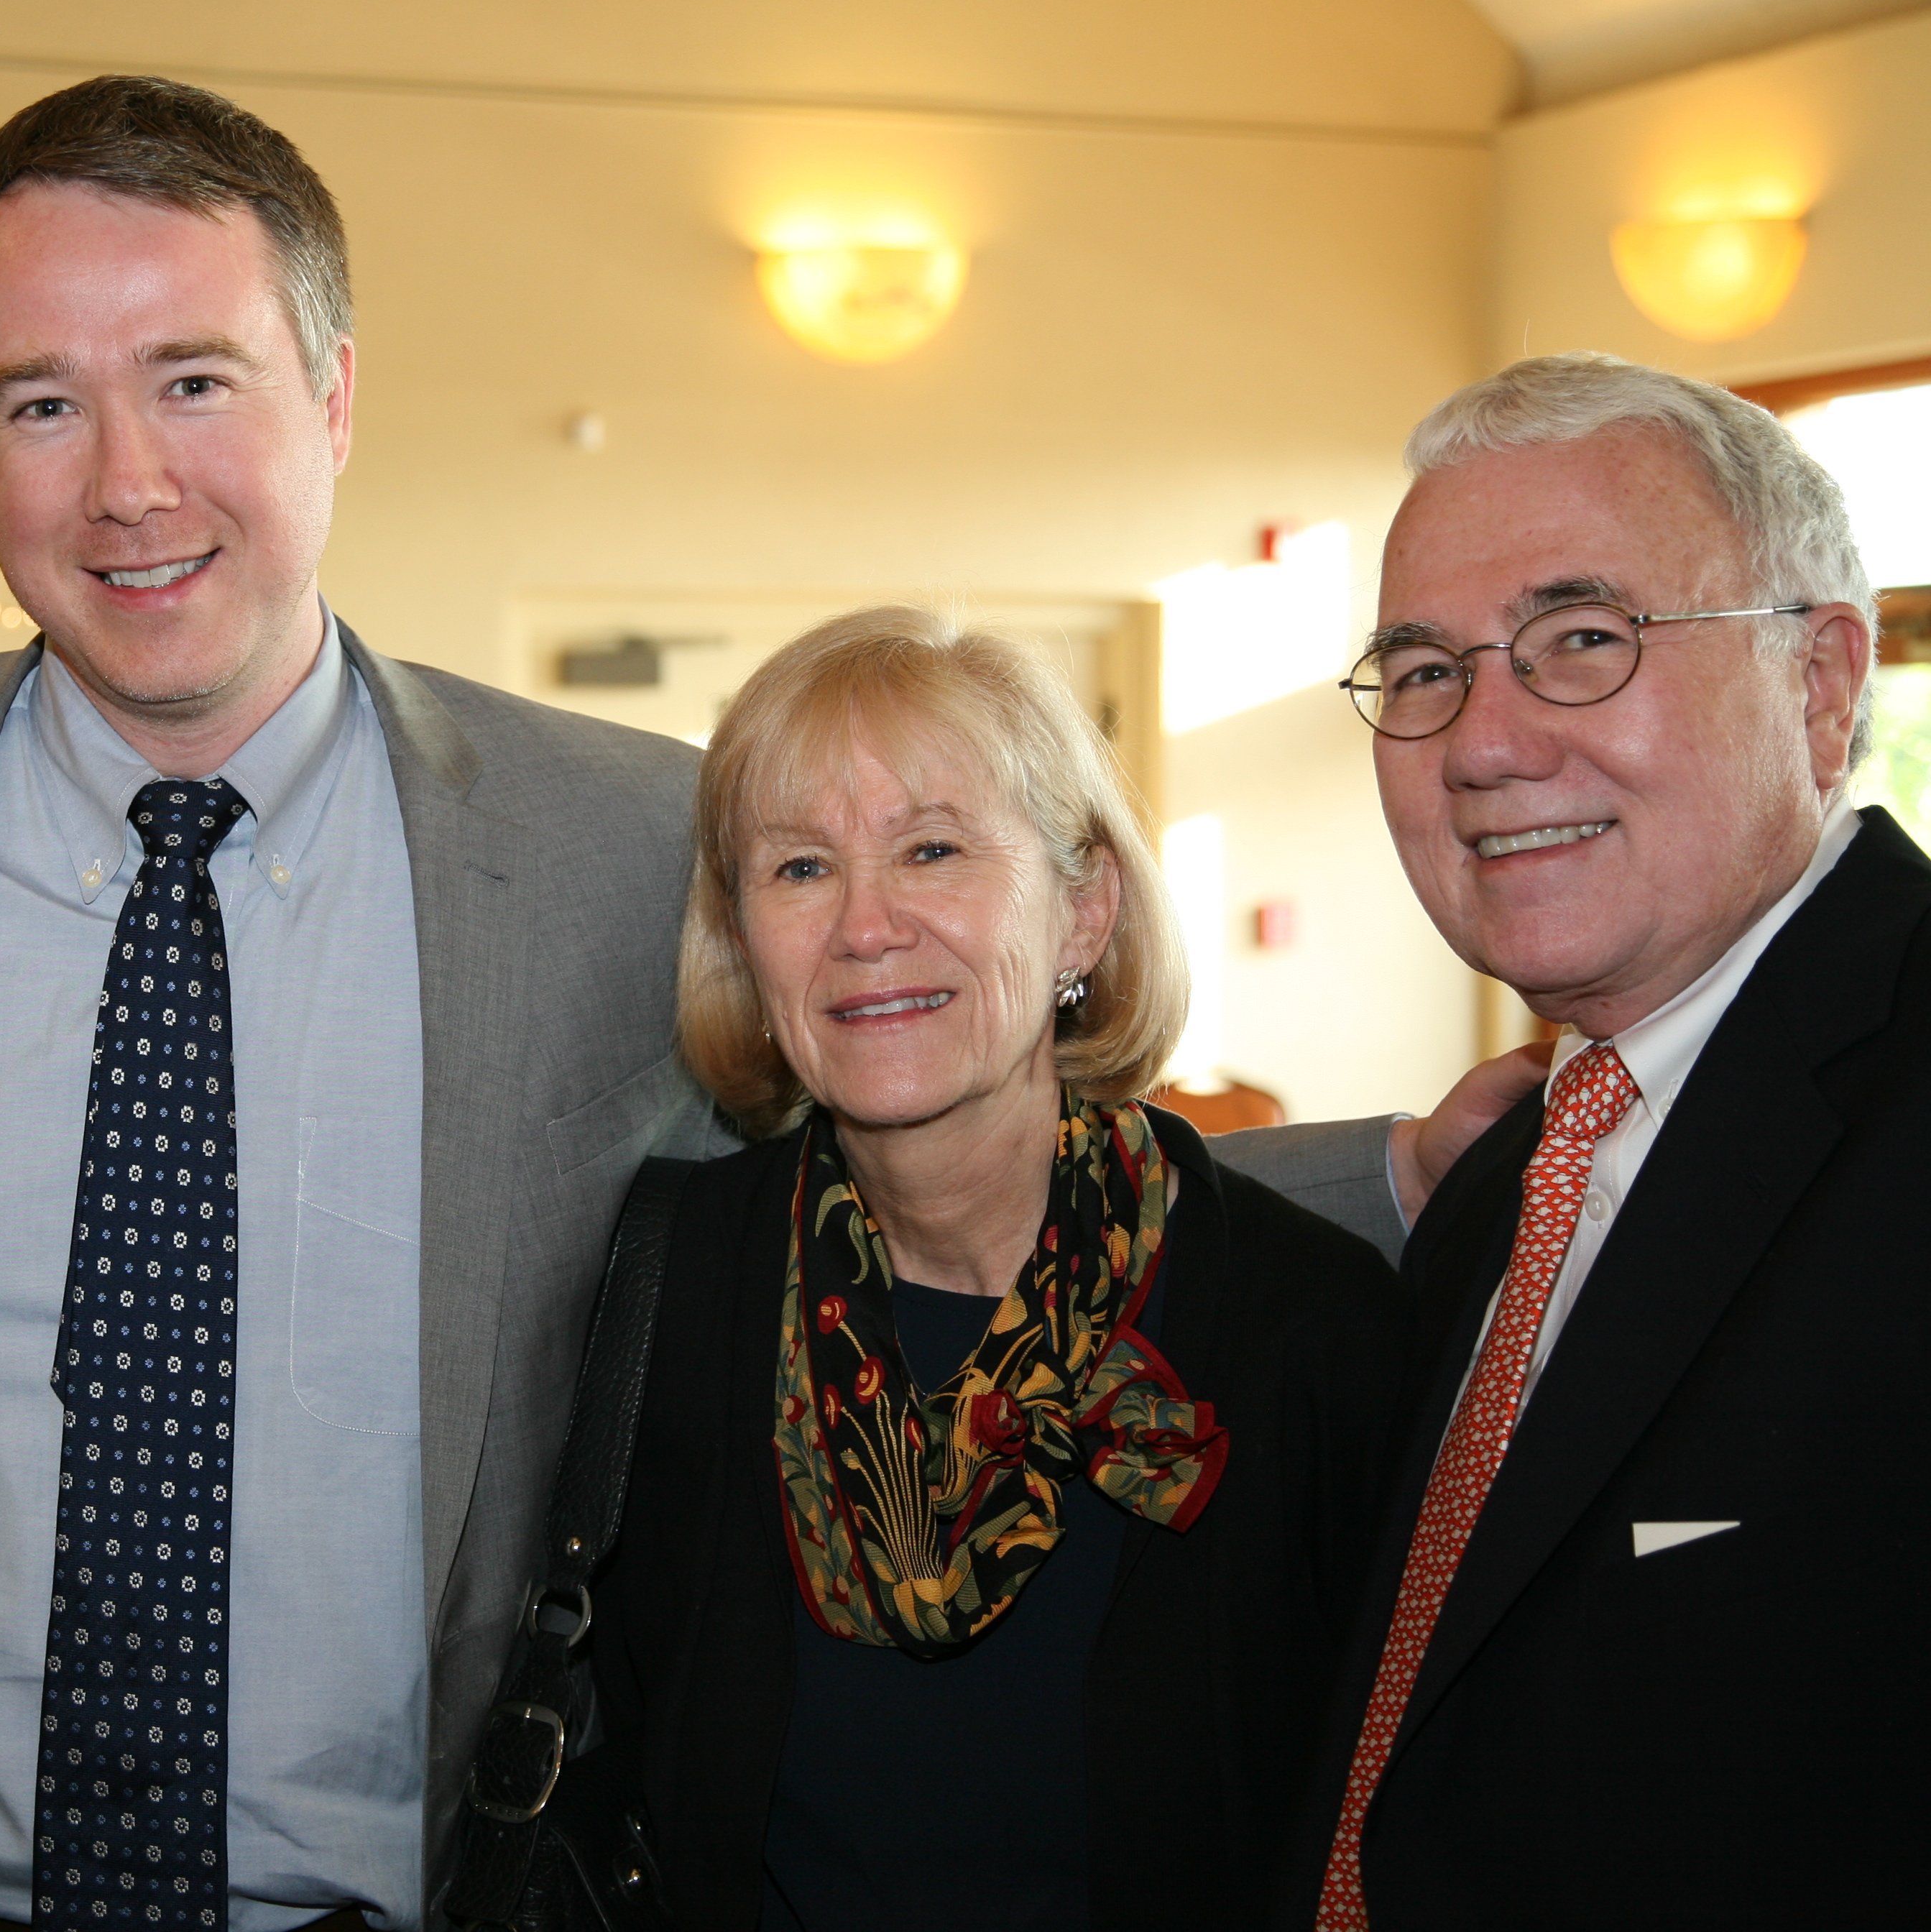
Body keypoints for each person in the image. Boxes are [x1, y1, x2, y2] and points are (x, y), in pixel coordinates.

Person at [0, 75, 727, 1932]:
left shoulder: (637, 858)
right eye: (41, 403)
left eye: (193, 380)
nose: (126, 484)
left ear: (335, 399)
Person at [588, 609, 1413, 1931]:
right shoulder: (669, 1288)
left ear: (1083, 911)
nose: (865, 926)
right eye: (800, 867)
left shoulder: (1311, 1329)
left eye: (933, 849)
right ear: (742, 939)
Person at [1271, 353, 1926, 1925]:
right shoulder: (1514, 1174)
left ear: (1820, 684)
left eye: (1582, 639)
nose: (1481, 743)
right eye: (1423, 669)